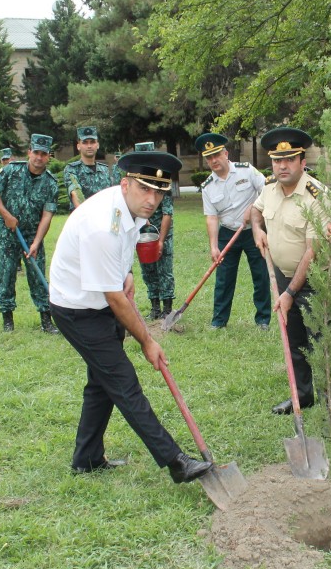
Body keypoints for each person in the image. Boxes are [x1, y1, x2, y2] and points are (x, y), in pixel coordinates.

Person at [49, 150, 213, 482]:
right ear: (126, 184)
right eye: (145, 189)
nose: (152, 200)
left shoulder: (129, 208)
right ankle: (175, 461)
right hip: (78, 309)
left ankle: (87, 459)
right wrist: (148, 341)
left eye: (159, 191)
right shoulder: (102, 225)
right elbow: (114, 298)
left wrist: (125, 273)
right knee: (124, 383)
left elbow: (118, 266)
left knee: (101, 383)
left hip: (99, 300)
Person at [250, 127, 327, 415]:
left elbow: (313, 251)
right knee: (294, 340)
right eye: (277, 160)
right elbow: (255, 210)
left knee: (320, 344)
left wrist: (291, 292)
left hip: (313, 281)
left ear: (302, 161)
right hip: (283, 275)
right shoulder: (269, 188)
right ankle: (303, 396)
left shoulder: (316, 196)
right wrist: (257, 229)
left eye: (289, 159)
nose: (282, 166)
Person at [0, 134, 60, 333]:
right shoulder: (11, 171)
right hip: (8, 234)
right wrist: (6, 215)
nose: (39, 157)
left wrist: (36, 243)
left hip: (32, 235)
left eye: (44, 154)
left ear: (48, 157)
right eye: (36, 152)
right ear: (29, 152)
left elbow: (47, 215)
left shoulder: (51, 183)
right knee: (6, 274)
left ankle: (46, 319)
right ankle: (7, 318)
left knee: (37, 275)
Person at [197, 133, 271, 330]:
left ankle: (263, 319)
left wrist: (254, 207)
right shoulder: (207, 187)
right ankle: (219, 321)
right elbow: (212, 217)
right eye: (209, 158)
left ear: (226, 154)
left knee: (260, 275)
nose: (213, 160)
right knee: (224, 278)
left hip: (254, 230)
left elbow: (268, 189)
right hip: (228, 232)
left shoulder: (246, 171)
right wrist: (213, 246)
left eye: (217, 155)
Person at [134, 142, 175, 320]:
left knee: (164, 270)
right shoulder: (134, 180)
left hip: (162, 233)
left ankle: (167, 308)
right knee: (148, 270)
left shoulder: (162, 180)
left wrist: (160, 241)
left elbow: (167, 213)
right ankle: (155, 307)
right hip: (142, 234)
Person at [63, 126, 119, 209]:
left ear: (98, 145)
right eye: (85, 142)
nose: (89, 146)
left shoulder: (105, 170)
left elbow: (111, 196)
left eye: (92, 142)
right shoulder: (72, 169)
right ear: (78, 146)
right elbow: (76, 194)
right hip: (83, 219)